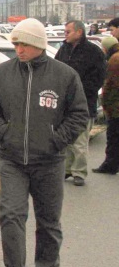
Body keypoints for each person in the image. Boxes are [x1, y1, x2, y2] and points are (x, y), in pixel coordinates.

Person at [0, 18, 88, 267]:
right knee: (11, 218)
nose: (19, 49)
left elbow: (79, 113)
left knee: (49, 222)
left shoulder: (65, 75)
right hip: (12, 161)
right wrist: (4, 134)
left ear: (39, 44)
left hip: (50, 161)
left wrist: (56, 139)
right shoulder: (0, 74)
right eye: (15, 43)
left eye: (24, 43)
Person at [54, 20, 106, 186]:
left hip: (84, 103)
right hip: (64, 104)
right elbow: (55, 71)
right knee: (66, 140)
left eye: (68, 31)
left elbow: (98, 78)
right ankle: (67, 169)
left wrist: (80, 92)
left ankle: (79, 172)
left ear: (79, 32)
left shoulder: (93, 52)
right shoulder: (63, 50)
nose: (65, 34)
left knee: (80, 141)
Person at [92, 36, 119, 175]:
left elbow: (110, 84)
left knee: (113, 136)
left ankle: (110, 165)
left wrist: (105, 103)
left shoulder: (114, 59)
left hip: (115, 106)